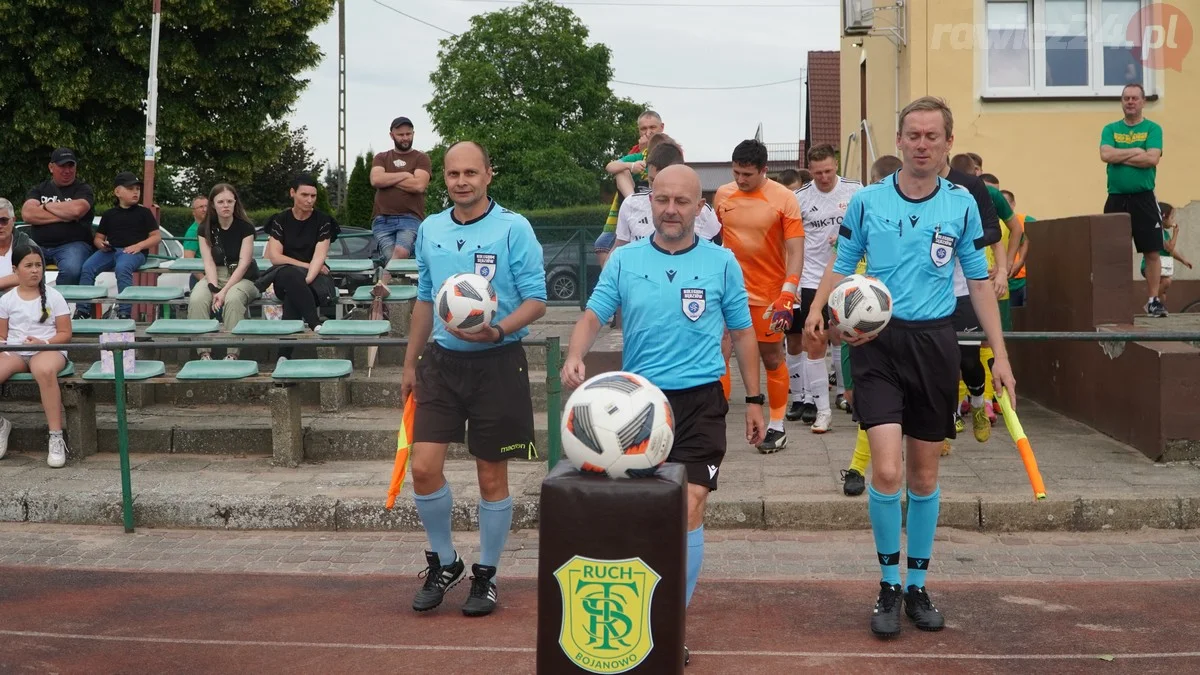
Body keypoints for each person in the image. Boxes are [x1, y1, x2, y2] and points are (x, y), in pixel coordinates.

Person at [807, 97, 1015, 639]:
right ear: (898, 141)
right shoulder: (868, 201)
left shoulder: (962, 204)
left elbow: (978, 283)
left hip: (935, 343)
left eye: (932, 136)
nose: (922, 144)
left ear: (947, 144)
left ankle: (918, 586)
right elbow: (842, 263)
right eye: (913, 135)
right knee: (888, 471)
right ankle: (886, 586)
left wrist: (1002, 357)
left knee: (924, 477)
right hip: (875, 345)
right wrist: (817, 310)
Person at [562, 164, 765, 667]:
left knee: (692, 503)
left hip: (701, 402)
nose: (671, 210)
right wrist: (575, 353)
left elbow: (742, 334)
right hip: (637, 406)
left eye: (682, 201)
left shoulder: (721, 264)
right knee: (641, 512)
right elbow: (593, 313)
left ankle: (669, 621)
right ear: (649, 204)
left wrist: (757, 401)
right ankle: (633, 610)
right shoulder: (626, 260)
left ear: (701, 207)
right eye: (662, 200)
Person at [401, 140, 546, 619]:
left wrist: (499, 329)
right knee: (422, 467)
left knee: (491, 476)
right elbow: (426, 298)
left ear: (488, 174)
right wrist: (409, 361)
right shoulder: (430, 229)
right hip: (442, 364)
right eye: (452, 174)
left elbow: (536, 300)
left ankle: (486, 573)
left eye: (470, 172)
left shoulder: (514, 228)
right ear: (444, 178)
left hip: (499, 361)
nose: (461, 181)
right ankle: (445, 562)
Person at [713, 139, 805, 453]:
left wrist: (788, 293)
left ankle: (777, 426)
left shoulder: (785, 198)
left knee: (771, 358)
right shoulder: (723, 195)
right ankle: (715, 421)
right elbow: (716, 240)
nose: (740, 179)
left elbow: (795, 250)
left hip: (769, 296)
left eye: (747, 174)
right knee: (719, 356)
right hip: (729, 293)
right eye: (736, 172)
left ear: (764, 170)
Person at [785, 144, 861, 433]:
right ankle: (822, 410)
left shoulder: (856, 191)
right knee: (814, 341)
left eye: (828, 171)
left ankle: (848, 393)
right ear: (810, 170)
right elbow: (790, 242)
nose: (824, 177)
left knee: (849, 338)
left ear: (836, 165)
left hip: (847, 277)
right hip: (811, 278)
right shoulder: (800, 198)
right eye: (818, 173)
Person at [841, 155, 903, 498]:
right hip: (861, 328)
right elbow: (839, 262)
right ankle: (858, 466)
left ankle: (858, 468)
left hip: (912, 329)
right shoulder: (863, 213)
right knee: (861, 400)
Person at [0, 242, 73, 467]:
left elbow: (65, 333)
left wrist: (44, 342)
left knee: (44, 369)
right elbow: (2, 337)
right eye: (28, 265)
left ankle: (56, 436)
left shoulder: (54, 296)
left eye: (38, 265)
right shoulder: (6, 300)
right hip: (15, 351)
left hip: (48, 349)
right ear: (15, 270)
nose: (35, 270)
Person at [1101, 83, 1166, 317]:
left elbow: (1152, 159)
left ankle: (1153, 300)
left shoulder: (1153, 129)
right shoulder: (1110, 128)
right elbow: (1105, 154)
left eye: (1134, 98)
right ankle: (1113, 301)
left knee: (1152, 251)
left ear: (1143, 102)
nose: (1130, 102)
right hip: (1116, 199)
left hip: (1144, 198)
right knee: (1113, 252)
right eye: (1126, 98)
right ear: (1121, 101)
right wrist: (1137, 151)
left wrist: (1121, 156)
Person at [263, 175, 340, 361]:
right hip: (284, 274)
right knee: (289, 273)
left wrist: (300, 284)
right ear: (292, 193)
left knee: (293, 295)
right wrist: (304, 270)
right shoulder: (280, 219)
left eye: (313, 196)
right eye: (305, 195)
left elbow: (319, 257)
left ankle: (283, 356)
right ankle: (314, 322)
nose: (310, 200)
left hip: (314, 279)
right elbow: (275, 257)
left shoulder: (323, 221)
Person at [187, 183, 260, 360]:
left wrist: (224, 292)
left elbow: (244, 263)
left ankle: (232, 354)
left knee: (233, 299)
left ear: (236, 203)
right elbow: (209, 262)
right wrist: (213, 289)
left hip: (242, 277)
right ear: (213, 204)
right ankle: (203, 352)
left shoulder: (246, 228)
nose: (225, 205)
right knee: (197, 298)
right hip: (215, 274)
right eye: (221, 202)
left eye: (229, 201)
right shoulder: (204, 229)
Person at [74, 173, 160, 320]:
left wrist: (139, 246)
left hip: (133, 253)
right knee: (87, 267)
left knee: (122, 268)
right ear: (117, 192)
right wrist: (101, 245)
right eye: (130, 188)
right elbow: (99, 238)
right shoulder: (109, 214)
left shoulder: (144, 212)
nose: (135, 192)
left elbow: (156, 237)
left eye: (137, 189)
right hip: (111, 250)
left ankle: (125, 312)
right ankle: (82, 310)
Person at [614, 142, 721, 247]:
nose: (656, 187)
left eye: (681, 202)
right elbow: (619, 247)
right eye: (652, 180)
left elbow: (716, 251)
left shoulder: (704, 212)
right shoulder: (631, 204)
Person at [596, 111, 665, 267]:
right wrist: (633, 164)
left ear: (661, 127)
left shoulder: (670, 149)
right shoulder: (637, 151)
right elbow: (612, 166)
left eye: (652, 127)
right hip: (635, 199)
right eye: (643, 129)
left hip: (657, 203)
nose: (648, 132)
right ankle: (631, 203)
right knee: (602, 244)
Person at [19, 148, 96, 285]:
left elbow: (77, 210)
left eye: (70, 166)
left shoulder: (83, 189)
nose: (67, 170)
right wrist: (66, 216)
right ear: (51, 167)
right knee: (20, 269)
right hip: (39, 245)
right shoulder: (39, 189)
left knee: (72, 270)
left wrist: (45, 206)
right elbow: (27, 214)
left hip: (73, 245)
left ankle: (57, 303)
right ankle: (35, 302)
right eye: (62, 166)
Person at [370, 116, 432, 262]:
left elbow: (419, 185)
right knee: (391, 256)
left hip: (410, 218)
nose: (405, 138)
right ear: (392, 135)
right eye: (400, 135)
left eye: (408, 134)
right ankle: (393, 283)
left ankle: (382, 282)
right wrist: (405, 174)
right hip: (382, 219)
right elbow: (376, 180)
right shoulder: (381, 157)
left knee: (401, 252)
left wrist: (388, 179)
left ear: (413, 134)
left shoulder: (421, 158)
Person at [1142, 202, 1191, 305]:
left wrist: (1183, 260)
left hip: (1162, 266)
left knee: (1163, 296)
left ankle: (1156, 308)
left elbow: (1171, 252)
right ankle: (1150, 303)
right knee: (1167, 282)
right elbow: (1169, 248)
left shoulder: (1165, 233)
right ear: (1163, 218)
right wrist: (1176, 233)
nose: (1173, 221)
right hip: (1151, 267)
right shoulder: (1158, 231)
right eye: (1172, 217)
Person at [1000, 190, 1031, 308]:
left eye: (1005, 203)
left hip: (1023, 280)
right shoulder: (992, 222)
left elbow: (1027, 241)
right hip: (1002, 281)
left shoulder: (1025, 220)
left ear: (1013, 204)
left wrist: (1020, 262)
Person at [0, 198, 37, 292]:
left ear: (13, 220)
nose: (0, 225)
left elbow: (32, 276)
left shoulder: (28, 245)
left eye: (3, 220)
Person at [181, 195, 208, 260]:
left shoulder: (210, 228)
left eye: (207, 206)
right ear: (193, 212)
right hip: (202, 269)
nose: (205, 209)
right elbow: (188, 259)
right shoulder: (193, 232)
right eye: (201, 207)